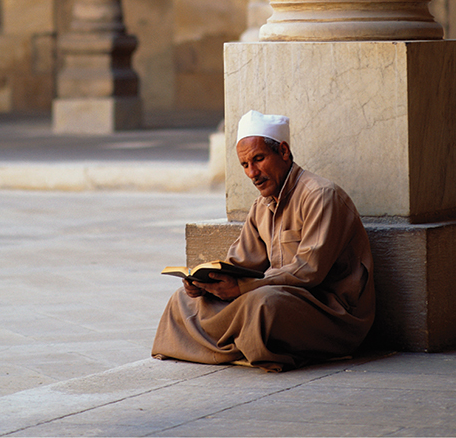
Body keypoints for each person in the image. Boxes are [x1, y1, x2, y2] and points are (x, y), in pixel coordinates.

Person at [152, 110, 375, 372]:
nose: (252, 173)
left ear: (283, 151)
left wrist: (243, 288)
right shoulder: (261, 206)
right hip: (276, 293)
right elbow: (240, 262)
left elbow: (309, 272)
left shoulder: (320, 195)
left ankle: (227, 347)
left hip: (329, 310)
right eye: (245, 165)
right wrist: (206, 283)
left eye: (258, 159)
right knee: (183, 300)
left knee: (263, 305)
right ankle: (247, 347)